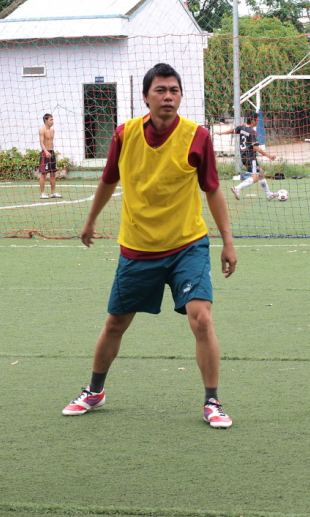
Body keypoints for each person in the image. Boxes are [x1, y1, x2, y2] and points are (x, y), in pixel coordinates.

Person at [63, 63, 237, 428]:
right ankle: (95, 390)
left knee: (201, 318)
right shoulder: (125, 135)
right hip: (138, 248)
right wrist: (91, 219)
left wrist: (227, 241)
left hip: (187, 245)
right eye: (160, 90)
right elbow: (109, 180)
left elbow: (213, 190)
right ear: (146, 96)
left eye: (174, 90)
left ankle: (212, 401)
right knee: (115, 324)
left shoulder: (197, 136)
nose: (168, 96)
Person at [216, 113, 278, 200]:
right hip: (250, 157)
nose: (258, 121)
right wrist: (269, 156)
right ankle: (237, 188)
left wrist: (221, 133)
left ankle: (268, 194)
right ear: (252, 120)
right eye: (257, 119)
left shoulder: (242, 127)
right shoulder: (252, 132)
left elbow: (232, 130)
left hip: (244, 156)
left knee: (261, 172)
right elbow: (255, 147)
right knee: (255, 177)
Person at [38, 113, 61, 199]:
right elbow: (41, 142)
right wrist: (46, 152)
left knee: (53, 173)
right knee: (44, 174)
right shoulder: (42, 130)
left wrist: (51, 152)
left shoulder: (52, 130)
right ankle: (42, 193)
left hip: (52, 153)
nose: (52, 121)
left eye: (52, 119)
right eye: (51, 120)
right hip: (45, 154)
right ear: (46, 121)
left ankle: (53, 192)